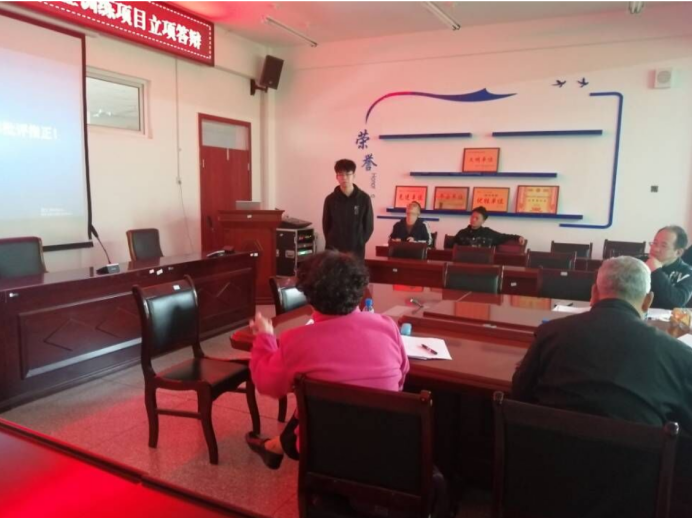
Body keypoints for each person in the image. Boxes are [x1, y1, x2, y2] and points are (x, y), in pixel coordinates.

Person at [245, 251, 409, 469]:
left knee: (307, 408)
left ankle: (276, 446)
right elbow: (401, 377)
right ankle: (275, 446)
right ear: (359, 289)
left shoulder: (296, 340)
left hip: (321, 445)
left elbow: (267, 384)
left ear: (309, 296)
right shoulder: (387, 326)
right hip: (384, 439)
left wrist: (265, 337)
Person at [512, 256, 692, 432]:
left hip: (547, 449)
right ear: (647, 301)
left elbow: (519, 392)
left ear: (594, 293)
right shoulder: (679, 355)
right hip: (635, 452)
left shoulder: (550, 333)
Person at [322, 159, 374, 260]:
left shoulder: (364, 198)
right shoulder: (330, 199)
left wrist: (360, 241)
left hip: (356, 249)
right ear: (337, 177)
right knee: (334, 270)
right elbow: (326, 225)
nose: (344, 177)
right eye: (341, 174)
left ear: (354, 175)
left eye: (347, 174)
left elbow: (368, 226)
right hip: (334, 248)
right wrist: (331, 240)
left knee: (354, 270)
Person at [644, 225, 692, 309]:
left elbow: (677, 302)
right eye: (655, 243)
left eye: (663, 246)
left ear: (678, 252)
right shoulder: (639, 263)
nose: (655, 249)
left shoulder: (687, 272)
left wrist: (656, 272)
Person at [453, 206, 525, 247]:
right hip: (463, 264)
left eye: (477, 218)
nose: (473, 219)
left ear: (483, 221)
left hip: (483, 265)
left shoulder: (488, 233)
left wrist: (518, 237)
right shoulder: (462, 233)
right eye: (472, 217)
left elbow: (503, 237)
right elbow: (451, 247)